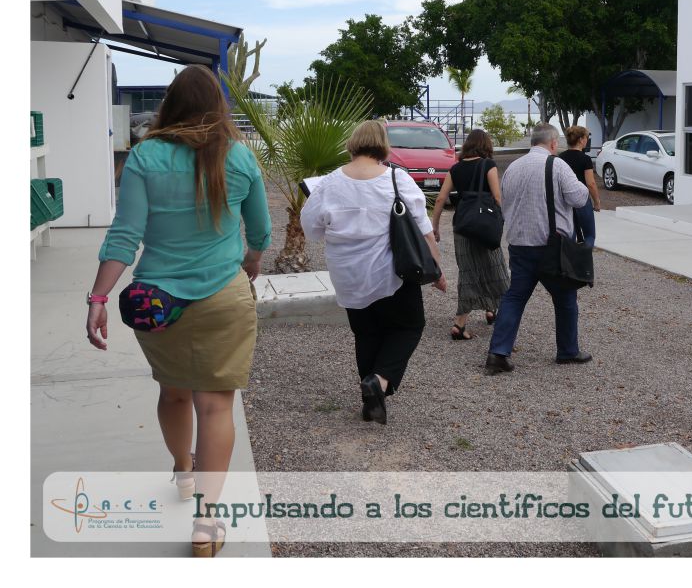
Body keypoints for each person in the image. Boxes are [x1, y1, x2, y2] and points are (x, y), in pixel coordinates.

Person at [85, 65, 271, 557]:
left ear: (170, 104)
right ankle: (206, 524)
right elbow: (260, 231)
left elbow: (124, 235)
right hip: (224, 298)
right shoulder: (239, 156)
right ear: (218, 106)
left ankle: (184, 471)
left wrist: (98, 298)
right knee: (215, 406)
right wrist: (251, 260)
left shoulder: (145, 156)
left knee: (173, 393)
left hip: (158, 304)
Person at [301, 120, 446, 425]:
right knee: (409, 326)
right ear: (383, 145)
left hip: (348, 276)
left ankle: (371, 403)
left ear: (353, 144)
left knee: (366, 333)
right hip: (390, 273)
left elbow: (311, 229)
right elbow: (424, 230)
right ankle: (378, 381)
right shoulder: (397, 179)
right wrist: (436, 270)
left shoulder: (329, 183)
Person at [485, 123, 592, 374]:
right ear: (553, 143)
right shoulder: (557, 165)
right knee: (565, 298)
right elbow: (579, 198)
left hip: (520, 244)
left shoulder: (512, 168)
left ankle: (498, 352)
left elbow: (504, 201)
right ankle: (567, 350)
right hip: (551, 246)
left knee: (514, 297)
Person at [430, 129, 509, 340]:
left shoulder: (455, 168)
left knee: (468, 271)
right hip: (485, 226)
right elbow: (497, 197)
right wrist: (501, 222)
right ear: (486, 145)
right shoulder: (488, 165)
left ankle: (481, 314)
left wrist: (435, 226)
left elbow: (441, 199)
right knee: (494, 267)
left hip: (463, 226)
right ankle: (474, 318)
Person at [559, 125, 601, 247]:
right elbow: (591, 184)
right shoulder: (585, 159)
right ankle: (585, 256)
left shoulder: (560, 158)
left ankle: (568, 256)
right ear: (581, 140)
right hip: (582, 200)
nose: (587, 140)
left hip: (565, 200)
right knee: (589, 235)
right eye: (586, 138)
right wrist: (596, 202)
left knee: (569, 234)